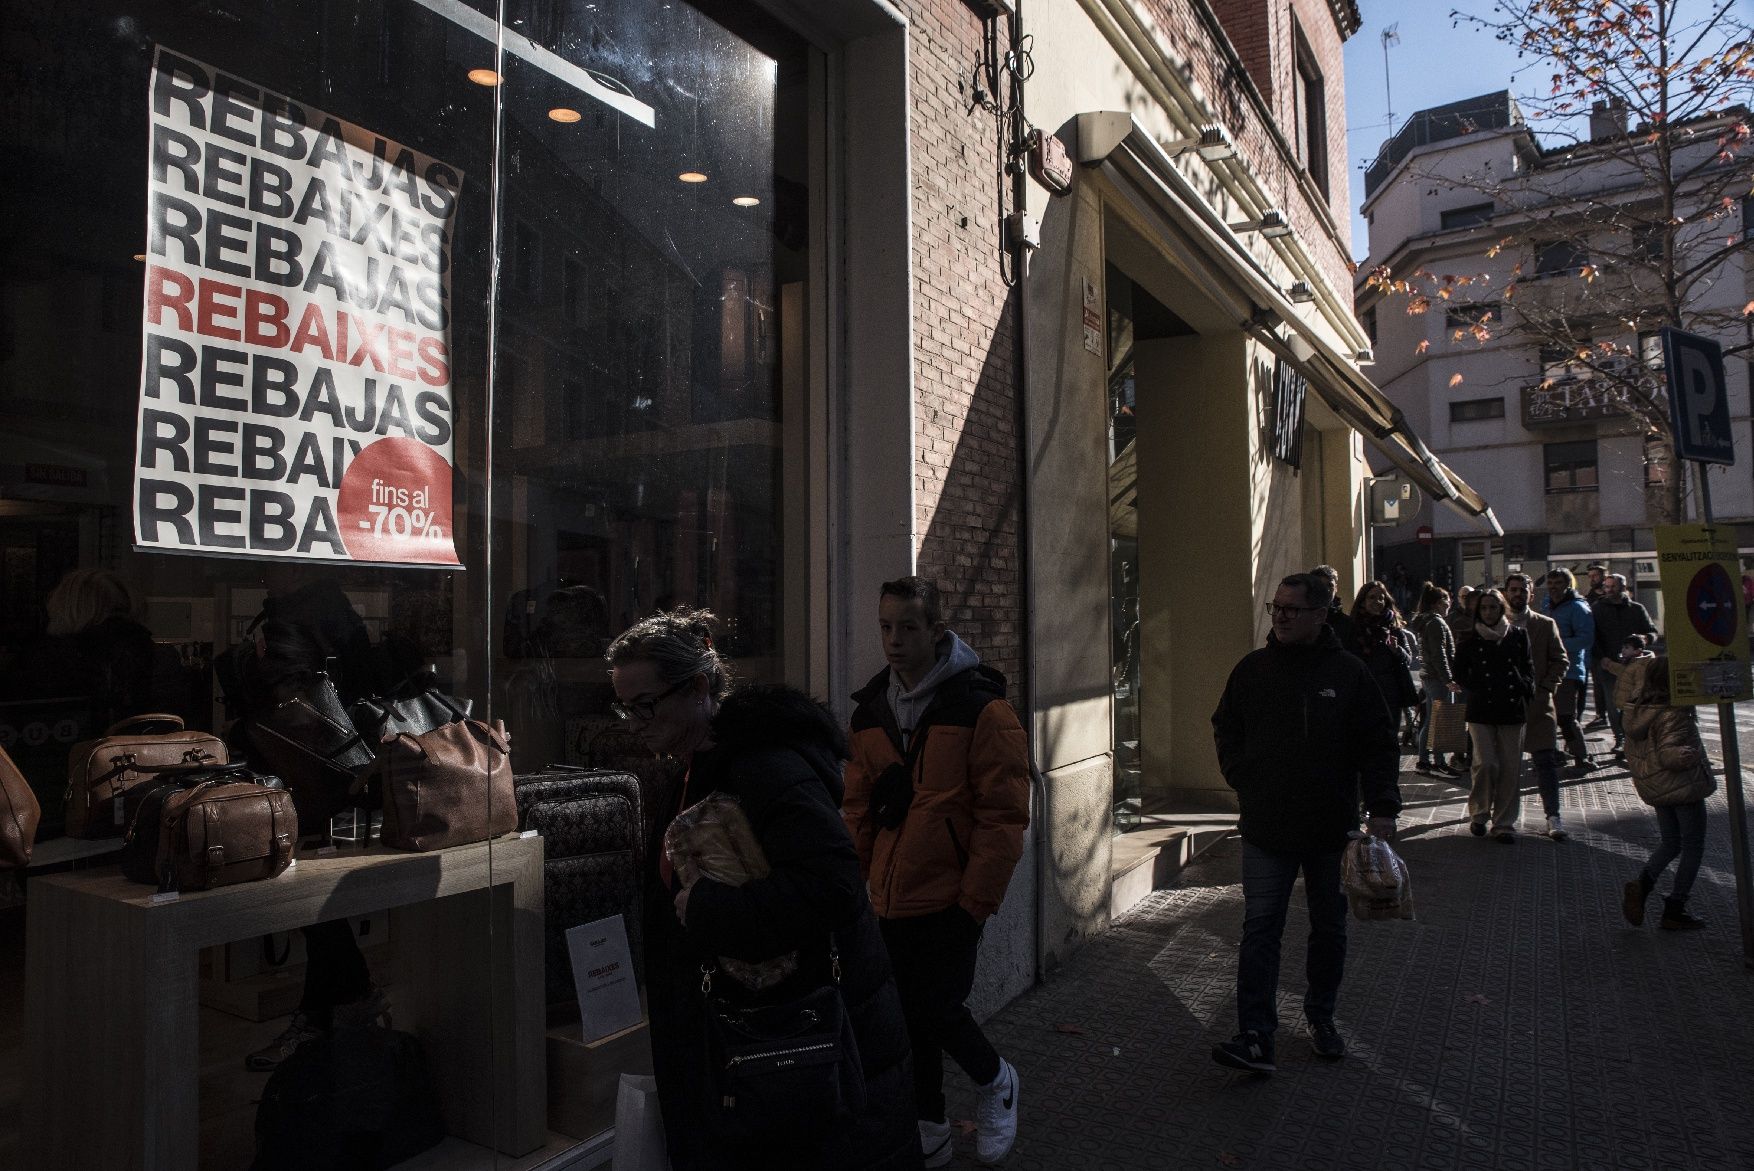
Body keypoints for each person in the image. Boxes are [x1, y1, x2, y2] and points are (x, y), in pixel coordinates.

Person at [607, 608, 920, 1171]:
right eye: (623, 707)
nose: (632, 723)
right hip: (756, 1052)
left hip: (797, 1054)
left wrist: (706, 909)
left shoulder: (765, 767)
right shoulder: (691, 767)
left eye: (645, 705)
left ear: (699, 689)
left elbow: (833, 887)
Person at [842, 577, 1030, 1168]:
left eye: (909, 627)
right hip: (888, 899)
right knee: (905, 1017)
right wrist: (859, 884)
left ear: (937, 631)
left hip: (951, 896)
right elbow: (856, 808)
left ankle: (996, 1077)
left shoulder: (981, 707)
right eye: (885, 627)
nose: (894, 641)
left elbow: (1002, 817)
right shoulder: (871, 711)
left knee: (936, 1008)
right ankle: (930, 1127)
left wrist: (976, 902)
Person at [1209, 572, 1401, 1073]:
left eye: (1292, 609)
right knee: (1260, 929)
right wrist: (1241, 776)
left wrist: (1383, 808)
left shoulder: (1348, 673)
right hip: (1267, 827)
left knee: (1328, 928)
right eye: (1277, 608)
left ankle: (1321, 1016)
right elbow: (1225, 725)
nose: (1281, 617)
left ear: (1321, 614)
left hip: (1329, 831)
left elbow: (1379, 742)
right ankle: (1255, 1034)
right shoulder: (1253, 670)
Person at [1612, 646, 1714, 931]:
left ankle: (1643, 885)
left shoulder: (1638, 709)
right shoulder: (1673, 712)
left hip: (1657, 787)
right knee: (1693, 845)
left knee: (1671, 842)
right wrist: (1688, 756)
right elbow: (1669, 752)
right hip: (1682, 787)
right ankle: (1675, 906)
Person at [1453, 588, 1535, 843]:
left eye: (1493, 607)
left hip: (1512, 708)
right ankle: (1479, 812)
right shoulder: (1469, 639)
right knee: (1485, 762)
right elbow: (1459, 672)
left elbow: (1528, 666)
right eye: (1484, 608)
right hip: (1482, 709)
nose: (1489, 612)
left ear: (1502, 609)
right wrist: (1476, 685)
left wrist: (1525, 686)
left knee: (1511, 767)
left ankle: (1504, 822)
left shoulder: (1518, 636)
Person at [1504, 573, 1571, 840]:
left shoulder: (1545, 624)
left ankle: (1553, 816)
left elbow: (1560, 660)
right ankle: (1503, 817)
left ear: (1531, 594)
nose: (1518, 594)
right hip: (1506, 706)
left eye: (1523, 590)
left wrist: (1546, 688)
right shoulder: (1497, 623)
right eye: (1514, 590)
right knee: (1506, 765)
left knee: (1545, 762)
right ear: (1506, 593)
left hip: (1538, 706)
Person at [1343, 581, 1421, 744]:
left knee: (1388, 740)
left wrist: (1396, 649)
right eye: (1372, 597)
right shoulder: (1353, 628)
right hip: (1362, 693)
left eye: (1381, 598)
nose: (1377, 602)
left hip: (1389, 693)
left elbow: (1407, 659)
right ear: (1363, 600)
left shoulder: (1393, 628)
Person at [1590, 574, 1657, 755]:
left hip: (1636, 667)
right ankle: (1620, 739)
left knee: (1636, 706)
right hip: (1609, 666)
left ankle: (1636, 741)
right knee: (1614, 706)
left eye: (1613, 586)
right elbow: (1592, 637)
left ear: (1623, 587)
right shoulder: (1597, 609)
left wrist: (1645, 638)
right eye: (1607, 587)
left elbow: (1652, 632)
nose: (1609, 590)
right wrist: (1601, 657)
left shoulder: (1636, 609)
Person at [1541, 568, 1596, 772]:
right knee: (1548, 717)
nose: (1553, 587)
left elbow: (1586, 639)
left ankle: (1582, 757)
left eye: (1558, 583)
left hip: (1569, 671)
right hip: (1547, 669)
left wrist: (1557, 644)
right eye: (1551, 583)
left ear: (1568, 585)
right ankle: (1555, 753)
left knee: (1566, 717)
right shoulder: (1547, 604)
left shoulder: (1578, 608)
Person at [1408, 585, 1462, 776]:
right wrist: (1448, 679)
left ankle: (1424, 761)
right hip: (1438, 680)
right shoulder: (1437, 624)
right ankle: (1438, 762)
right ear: (1438, 603)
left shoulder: (1426, 623)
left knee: (1431, 721)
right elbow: (1440, 655)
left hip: (1429, 677)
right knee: (1440, 721)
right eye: (1447, 600)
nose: (1450, 603)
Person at [1310, 564, 1355, 649]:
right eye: (1321, 585)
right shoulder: (1304, 618)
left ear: (1336, 588)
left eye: (1330, 585)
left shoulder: (1347, 624)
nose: (1326, 590)